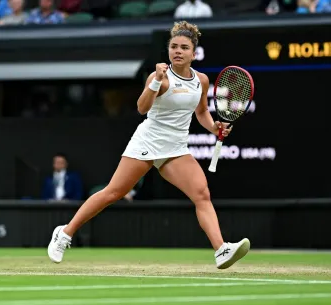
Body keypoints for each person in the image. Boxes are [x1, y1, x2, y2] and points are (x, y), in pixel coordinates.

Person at [47, 21, 250, 270]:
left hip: (176, 148)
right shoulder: (159, 77)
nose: (177, 51)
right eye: (173, 46)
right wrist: (156, 83)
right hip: (148, 142)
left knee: (202, 194)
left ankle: (220, 250)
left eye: (183, 47)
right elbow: (142, 108)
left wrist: (214, 127)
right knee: (114, 192)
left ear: (193, 54)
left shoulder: (202, 81)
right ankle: (64, 233)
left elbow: (202, 112)